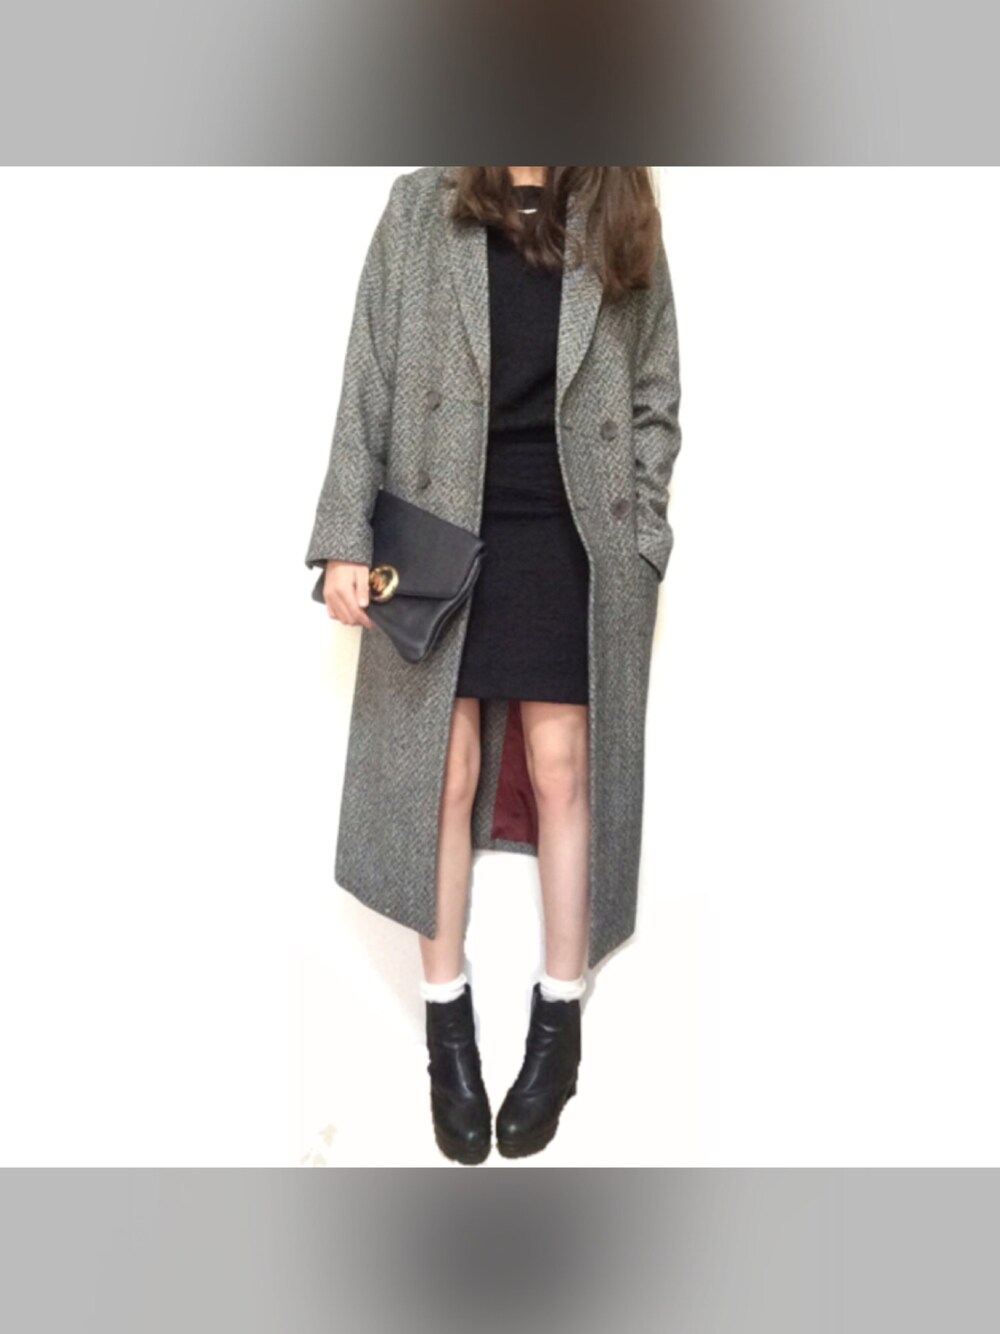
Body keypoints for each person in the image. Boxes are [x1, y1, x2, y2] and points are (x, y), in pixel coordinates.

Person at [307, 166, 682, 1163]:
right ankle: (447, 1029)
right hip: (439, 523)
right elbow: (369, 372)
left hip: (570, 528)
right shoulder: (421, 205)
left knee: (562, 770)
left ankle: (559, 1019)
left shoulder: (618, 210)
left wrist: (643, 536)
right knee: (444, 772)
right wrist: (345, 536)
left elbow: (655, 389)